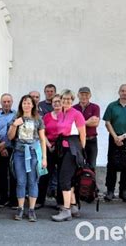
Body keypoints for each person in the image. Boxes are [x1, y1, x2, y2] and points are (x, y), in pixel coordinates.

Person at [8, 95, 47, 222]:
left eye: (29, 103)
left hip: (34, 153)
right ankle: (20, 208)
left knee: (33, 181)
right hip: (19, 153)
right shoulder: (16, 117)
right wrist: (14, 125)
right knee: (20, 181)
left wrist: (44, 158)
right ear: (21, 105)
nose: (26, 105)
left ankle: (31, 209)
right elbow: (10, 137)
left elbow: (42, 139)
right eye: (24, 103)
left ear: (33, 105)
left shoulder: (38, 119)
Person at [51, 89, 86, 222]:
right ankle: (73, 206)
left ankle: (66, 211)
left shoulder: (77, 114)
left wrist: (81, 152)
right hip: (62, 149)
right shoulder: (60, 114)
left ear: (72, 100)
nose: (66, 101)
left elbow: (83, 135)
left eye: (68, 99)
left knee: (64, 179)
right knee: (69, 178)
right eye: (63, 99)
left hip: (73, 149)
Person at [103, 84, 126, 203]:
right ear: (119, 92)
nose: (125, 93)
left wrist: (124, 136)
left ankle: (123, 191)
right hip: (114, 137)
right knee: (111, 164)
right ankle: (110, 191)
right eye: (123, 91)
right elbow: (107, 122)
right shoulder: (112, 106)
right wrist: (115, 136)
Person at [37, 94, 62, 208]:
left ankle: (61, 202)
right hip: (49, 147)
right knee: (45, 175)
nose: (56, 104)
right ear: (51, 104)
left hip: (62, 149)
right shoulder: (47, 117)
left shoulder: (66, 116)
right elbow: (43, 133)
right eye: (54, 102)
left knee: (62, 176)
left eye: (58, 101)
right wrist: (48, 145)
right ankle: (40, 200)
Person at [0, 93, 17, 209]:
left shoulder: (17, 115)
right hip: (0, 148)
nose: (6, 104)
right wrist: (0, 147)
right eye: (4, 102)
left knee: (13, 174)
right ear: (1, 103)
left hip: (13, 148)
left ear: (12, 102)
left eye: (8, 101)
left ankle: (14, 200)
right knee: (2, 174)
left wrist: (7, 146)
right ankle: (3, 199)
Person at [73, 87, 100, 170]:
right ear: (78, 95)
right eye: (82, 94)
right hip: (78, 140)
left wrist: (80, 123)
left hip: (91, 140)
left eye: (86, 94)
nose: (84, 96)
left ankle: (91, 182)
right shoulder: (73, 108)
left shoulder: (95, 107)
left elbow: (95, 123)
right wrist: (88, 122)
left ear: (90, 95)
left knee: (91, 165)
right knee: (77, 164)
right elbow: (72, 125)